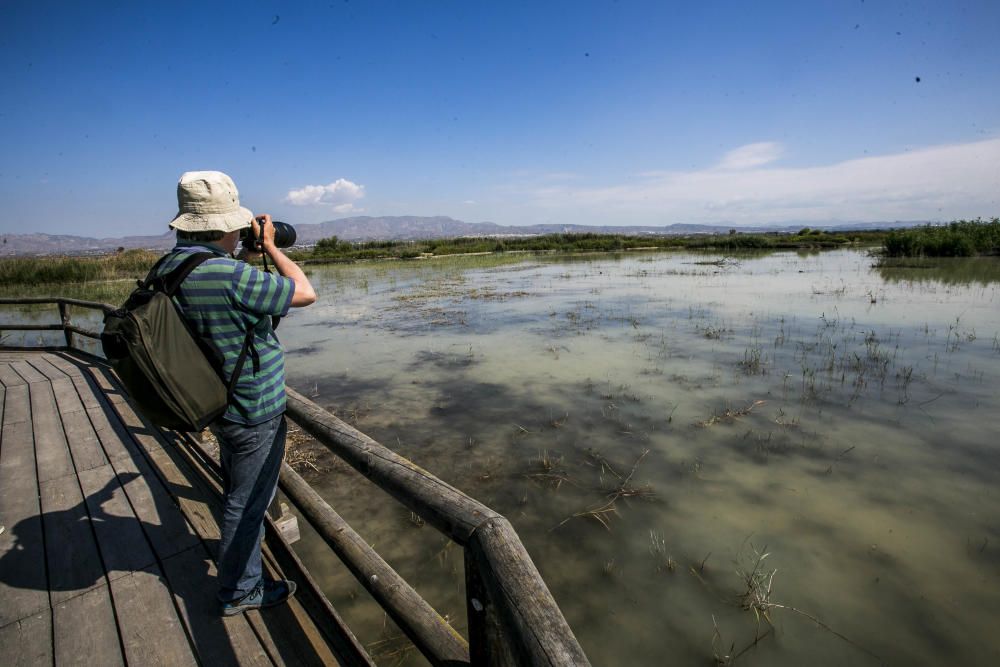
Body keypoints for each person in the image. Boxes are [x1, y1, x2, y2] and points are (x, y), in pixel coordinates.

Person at [155, 170, 317, 615]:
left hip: (213, 402)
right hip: (252, 410)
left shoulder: (171, 267)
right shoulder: (227, 275)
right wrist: (271, 248)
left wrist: (243, 253)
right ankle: (241, 591)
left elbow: (221, 297)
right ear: (228, 223)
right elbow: (305, 293)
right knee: (246, 505)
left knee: (237, 493)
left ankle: (239, 572)